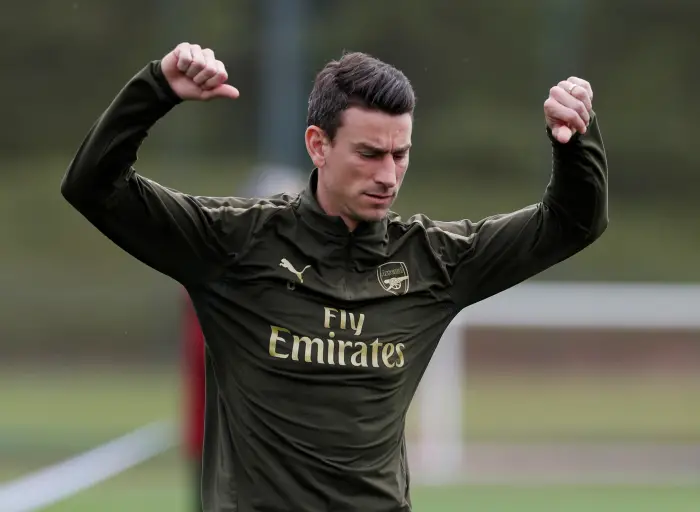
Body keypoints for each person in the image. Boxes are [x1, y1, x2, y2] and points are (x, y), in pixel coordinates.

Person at [61, 42, 608, 511]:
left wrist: (574, 140)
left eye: (400, 154)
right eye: (369, 154)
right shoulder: (234, 244)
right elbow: (94, 186)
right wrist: (156, 88)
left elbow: (572, 223)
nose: (388, 175)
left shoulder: (438, 260)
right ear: (317, 145)